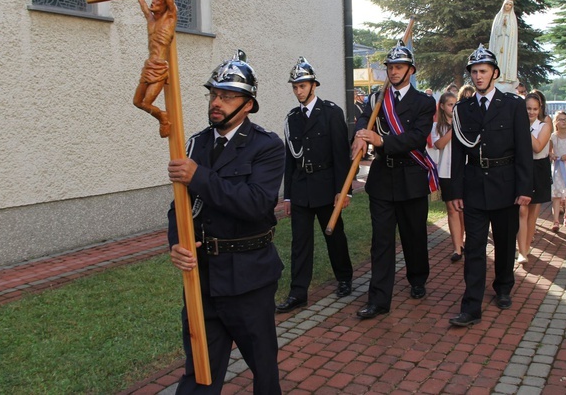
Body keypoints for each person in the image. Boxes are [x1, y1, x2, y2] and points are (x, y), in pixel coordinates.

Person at [167, 50, 285, 394]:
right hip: (203, 278)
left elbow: (257, 203)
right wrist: (177, 242)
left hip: (249, 277)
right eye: (213, 94)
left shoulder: (266, 146)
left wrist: (199, 177)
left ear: (247, 105)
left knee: (263, 370)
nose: (216, 103)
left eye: (226, 96)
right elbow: (178, 206)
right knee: (200, 372)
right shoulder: (196, 143)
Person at [351, 41, 438, 319]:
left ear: (411, 70)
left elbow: (416, 138)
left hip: (411, 177)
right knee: (382, 242)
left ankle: (417, 278)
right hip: (382, 178)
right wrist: (359, 135)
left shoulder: (424, 102)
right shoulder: (376, 99)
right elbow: (362, 121)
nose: (393, 71)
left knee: (414, 236)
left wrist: (380, 139)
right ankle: (379, 299)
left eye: (399, 66)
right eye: (390, 67)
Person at [447, 44, 533, 327]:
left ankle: (504, 287)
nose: (478, 76)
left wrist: (524, 188)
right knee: (473, 248)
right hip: (474, 186)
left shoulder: (513, 106)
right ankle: (471, 306)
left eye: (483, 71)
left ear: (494, 73)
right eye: (474, 72)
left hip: (506, 184)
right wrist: (455, 191)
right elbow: (458, 153)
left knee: (505, 243)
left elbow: (523, 149)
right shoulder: (463, 108)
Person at [276, 58, 354, 314]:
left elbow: (341, 155)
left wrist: (344, 191)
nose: (298, 90)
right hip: (300, 189)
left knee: (334, 235)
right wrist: (287, 196)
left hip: (326, 185)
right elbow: (290, 159)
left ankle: (344, 278)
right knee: (300, 243)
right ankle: (298, 293)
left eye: (302, 85)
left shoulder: (331, 113)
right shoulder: (291, 119)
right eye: (295, 86)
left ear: (314, 86)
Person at [130, 0, 180, 138]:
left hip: (159, 67)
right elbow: (141, 0)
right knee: (137, 102)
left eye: (158, 0)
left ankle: (163, 118)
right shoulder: (151, 20)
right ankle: (161, 115)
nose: (154, 2)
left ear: (165, 4)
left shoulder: (170, 18)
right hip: (149, 65)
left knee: (147, 101)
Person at [517, 91, 552, 263]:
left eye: (534, 109)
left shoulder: (544, 125)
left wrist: (523, 128)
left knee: (532, 213)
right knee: (521, 210)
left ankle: (527, 245)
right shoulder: (516, 124)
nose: (531, 112)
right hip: (522, 168)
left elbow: (538, 147)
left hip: (539, 168)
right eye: (528, 108)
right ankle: (521, 251)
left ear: (539, 110)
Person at [430, 91, 465, 262]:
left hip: (464, 171)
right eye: (450, 104)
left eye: (455, 104)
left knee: (464, 209)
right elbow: (438, 144)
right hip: (446, 172)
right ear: (442, 107)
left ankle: (464, 240)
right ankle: (457, 247)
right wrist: (454, 130)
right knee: (452, 209)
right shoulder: (438, 127)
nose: (453, 107)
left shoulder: (465, 123)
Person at [489, 0, 519, 86]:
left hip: (507, 43)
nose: (508, 6)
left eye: (510, 5)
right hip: (499, 42)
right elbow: (494, 31)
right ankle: (497, 75)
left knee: (506, 59)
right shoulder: (498, 17)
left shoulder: (512, 19)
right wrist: (501, 25)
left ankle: (505, 76)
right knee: (498, 58)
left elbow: (512, 33)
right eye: (506, 4)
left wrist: (507, 26)